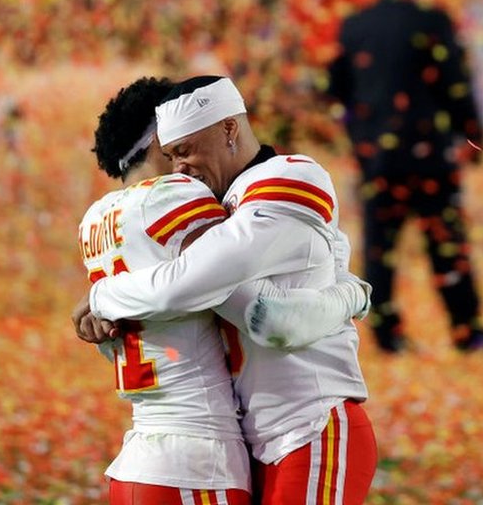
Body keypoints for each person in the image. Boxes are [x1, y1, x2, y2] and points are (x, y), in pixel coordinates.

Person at [73, 75, 377, 505]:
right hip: (244, 441)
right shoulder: (209, 202)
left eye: (185, 150)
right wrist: (350, 291)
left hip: (310, 423)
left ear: (229, 129)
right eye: (171, 154)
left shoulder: (289, 176)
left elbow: (263, 317)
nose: (180, 168)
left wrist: (104, 295)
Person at [325, 0, 483, 354]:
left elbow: (335, 92)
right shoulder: (432, 22)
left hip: (378, 159)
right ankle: (466, 328)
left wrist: (357, 135)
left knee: (380, 246)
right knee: (446, 240)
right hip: (430, 155)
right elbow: (455, 86)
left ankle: (387, 334)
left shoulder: (354, 28)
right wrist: (474, 136)